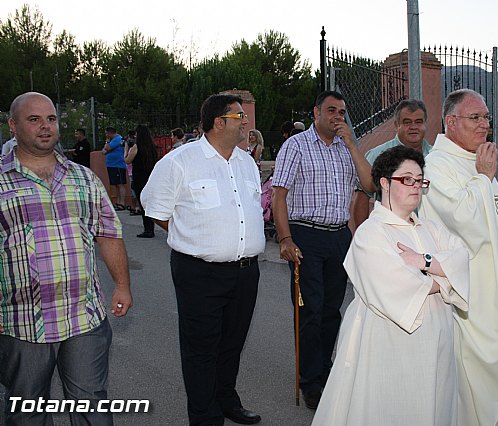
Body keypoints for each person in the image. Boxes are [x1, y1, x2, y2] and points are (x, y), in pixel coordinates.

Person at [0, 92, 132, 425]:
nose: (45, 127)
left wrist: (122, 285)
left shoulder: (84, 178)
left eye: (51, 119)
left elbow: (108, 234)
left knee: (91, 406)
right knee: (27, 410)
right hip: (20, 323)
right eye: (34, 120)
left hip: (83, 318)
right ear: (13, 125)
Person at [312, 145, 469, 425]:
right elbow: (397, 286)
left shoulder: (431, 228)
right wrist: (444, 278)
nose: (416, 186)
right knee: (391, 408)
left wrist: (423, 260)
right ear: (384, 183)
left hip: (437, 342)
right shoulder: (371, 234)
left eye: (420, 180)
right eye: (407, 179)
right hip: (389, 342)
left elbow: (463, 259)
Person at [141, 94, 265, 426]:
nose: (246, 122)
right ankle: (205, 416)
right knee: (201, 349)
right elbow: (155, 209)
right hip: (199, 272)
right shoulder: (180, 161)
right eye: (239, 116)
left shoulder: (246, 162)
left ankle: (226, 400)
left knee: (232, 344)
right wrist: (193, 236)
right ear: (218, 122)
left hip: (246, 272)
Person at [419, 88, 498, 426]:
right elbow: (463, 224)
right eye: (475, 117)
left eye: (486, 117)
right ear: (451, 122)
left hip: (496, 289)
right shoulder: (437, 166)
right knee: (470, 380)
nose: (485, 125)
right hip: (470, 294)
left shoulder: (475, 162)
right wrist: (483, 178)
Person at [272, 90, 376, 410]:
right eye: (331, 110)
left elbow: (369, 186)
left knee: (331, 310)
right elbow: (279, 195)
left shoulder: (347, 149)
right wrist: (285, 239)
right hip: (306, 235)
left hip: (338, 236)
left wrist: (353, 146)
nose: (337, 117)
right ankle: (310, 381)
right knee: (310, 311)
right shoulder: (296, 146)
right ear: (316, 112)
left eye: (342, 112)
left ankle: (325, 369)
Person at [352, 99, 432, 228]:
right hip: (390, 232)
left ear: (425, 124)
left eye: (418, 122)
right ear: (396, 125)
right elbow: (363, 197)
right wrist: (362, 232)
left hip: (429, 232)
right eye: (407, 122)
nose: (413, 127)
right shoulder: (376, 155)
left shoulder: (436, 156)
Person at [125, 125, 158, 238]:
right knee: (150, 203)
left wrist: (126, 149)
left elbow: (127, 160)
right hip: (150, 177)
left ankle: (148, 229)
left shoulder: (136, 147)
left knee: (143, 203)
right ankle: (150, 227)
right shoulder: (152, 147)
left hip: (139, 178)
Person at [102, 126, 127, 210]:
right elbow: (103, 151)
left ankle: (122, 203)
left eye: (106, 133)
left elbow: (107, 148)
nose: (106, 135)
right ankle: (118, 202)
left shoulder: (118, 139)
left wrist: (107, 144)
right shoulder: (112, 141)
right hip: (111, 165)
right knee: (116, 185)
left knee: (120, 184)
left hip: (118, 165)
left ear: (109, 133)